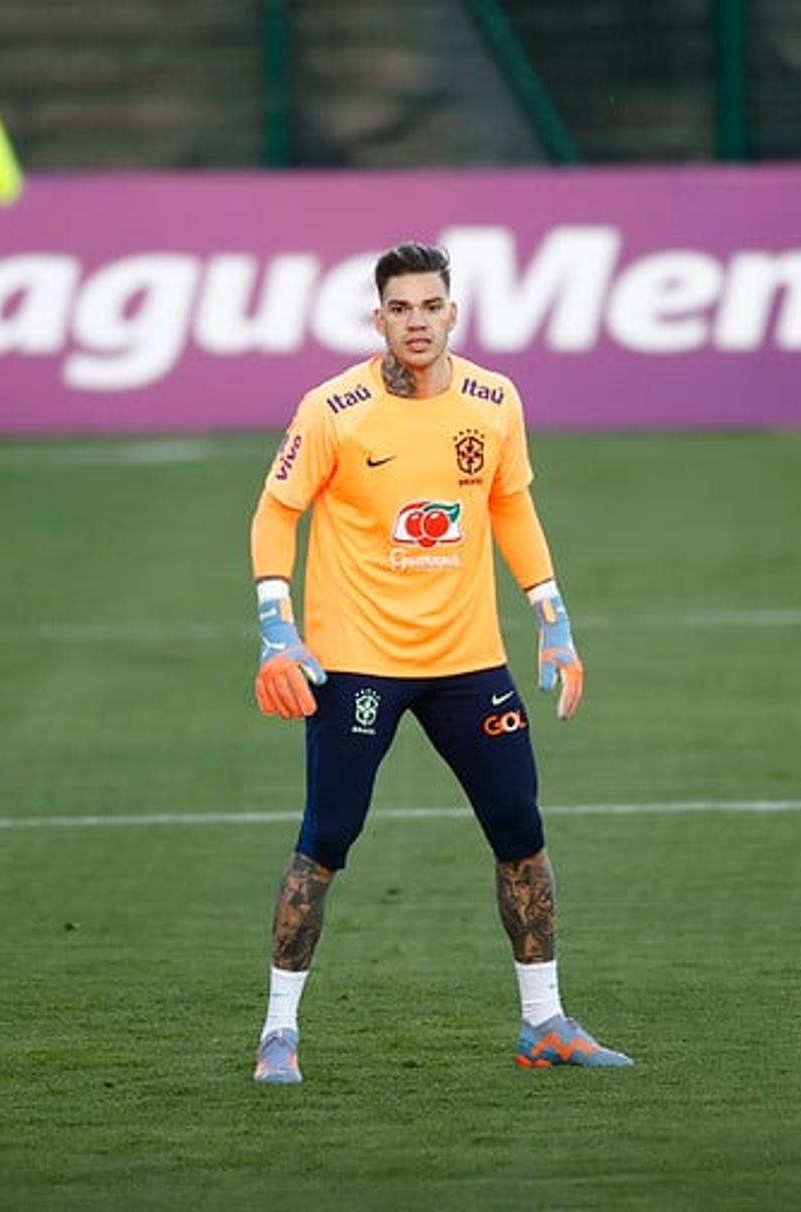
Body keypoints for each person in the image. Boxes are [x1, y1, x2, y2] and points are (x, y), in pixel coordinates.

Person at [247, 240, 632, 1084]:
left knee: (521, 832)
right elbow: (276, 513)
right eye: (400, 308)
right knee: (328, 838)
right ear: (377, 318)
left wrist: (553, 618)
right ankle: (279, 1031)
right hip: (356, 661)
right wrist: (277, 623)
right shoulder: (333, 408)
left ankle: (544, 1023)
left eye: (430, 306)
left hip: (468, 660)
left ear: (452, 313)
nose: (416, 322)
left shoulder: (494, 400)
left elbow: (511, 506)